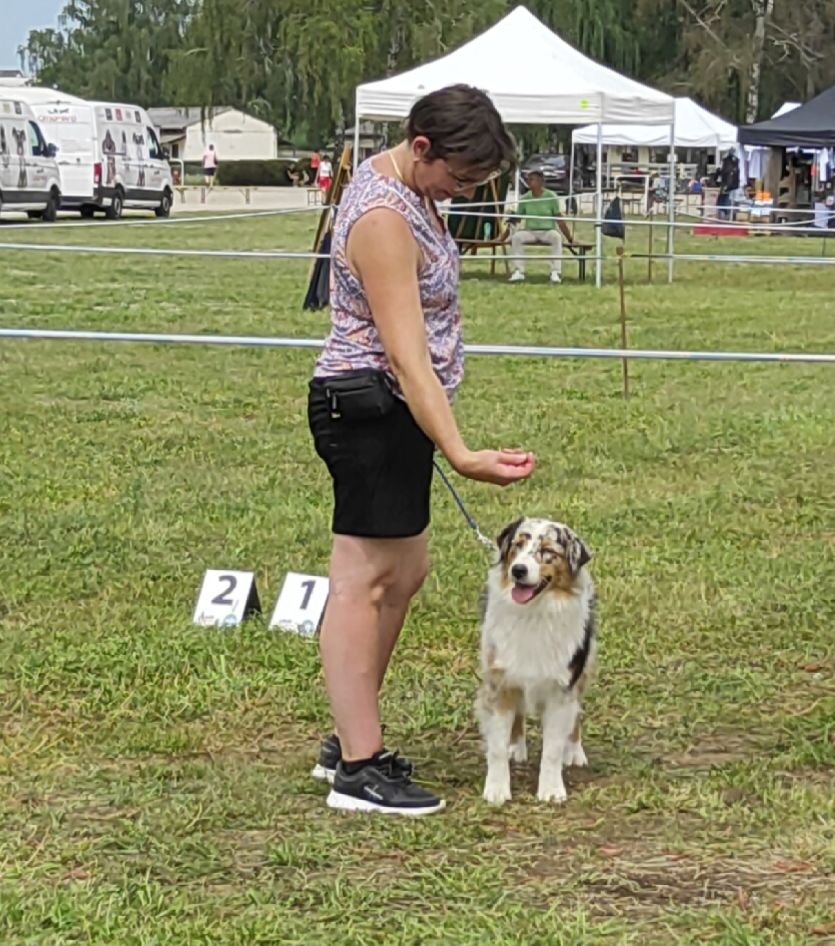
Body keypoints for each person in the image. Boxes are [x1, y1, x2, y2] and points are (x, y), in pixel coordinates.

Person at [307, 84, 535, 817]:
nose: (463, 193)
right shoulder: (382, 216)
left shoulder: (414, 195)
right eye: (460, 178)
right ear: (421, 146)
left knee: (403, 570)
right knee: (363, 577)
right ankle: (357, 769)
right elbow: (406, 357)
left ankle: (351, 737)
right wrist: (463, 452)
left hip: (391, 409)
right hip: (368, 404)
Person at [509, 171, 574, 283]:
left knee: (556, 237)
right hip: (530, 231)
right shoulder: (525, 198)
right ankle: (518, 271)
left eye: (531, 179)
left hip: (547, 231)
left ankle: (555, 272)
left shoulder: (551, 196)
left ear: (540, 182)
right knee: (516, 238)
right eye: (528, 179)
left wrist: (570, 238)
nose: (528, 182)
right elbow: (517, 219)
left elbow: (559, 219)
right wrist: (506, 232)